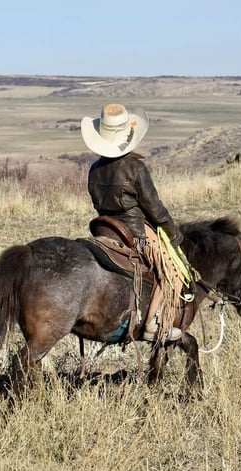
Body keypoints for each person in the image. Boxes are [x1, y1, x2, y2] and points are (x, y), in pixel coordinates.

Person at [81, 103, 187, 344]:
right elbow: (155, 209)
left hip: (105, 229)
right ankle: (151, 324)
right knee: (172, 272)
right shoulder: (135, 167)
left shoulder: (95, 169)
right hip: (135, 231)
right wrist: (174, 236)